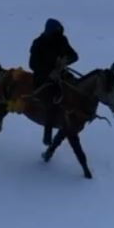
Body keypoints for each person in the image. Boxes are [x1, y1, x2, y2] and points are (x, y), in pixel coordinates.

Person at [29, 18, 79, 146]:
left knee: (76, 86)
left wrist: (64, 61)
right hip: (43, 77)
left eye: (59, 31)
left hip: (61, 73)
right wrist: (49, 72)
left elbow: (74, 56)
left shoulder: (62, 40)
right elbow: (33, 64)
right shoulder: (39, 43)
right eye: (55, 32)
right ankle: (48, 133)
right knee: (52, 99)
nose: (58, 34)